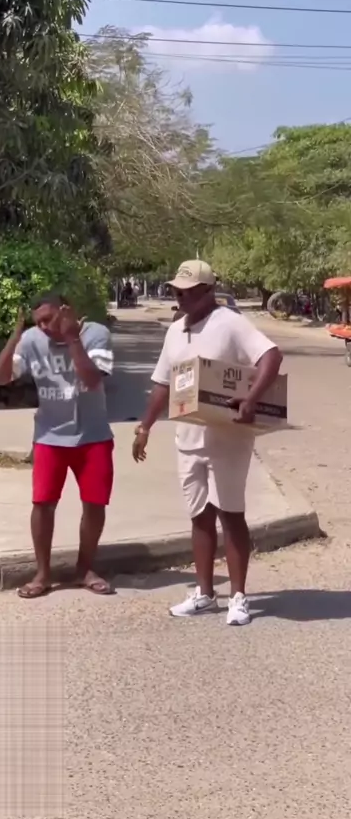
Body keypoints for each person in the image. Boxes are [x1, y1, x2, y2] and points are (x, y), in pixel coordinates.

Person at [132, 260, 283, 626]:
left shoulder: (229, 323)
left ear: (208, 291)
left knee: (231, 515)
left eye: (187, 291)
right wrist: (145, 427)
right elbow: (163, 383)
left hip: (227, 439)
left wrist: (251, 399)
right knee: (199, 516)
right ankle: (204, 594)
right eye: (176, 291)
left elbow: (271, 356)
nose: (179, 297)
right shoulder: (175, 330)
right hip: (188, 437)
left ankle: (238, 597)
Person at [0, 292, 115, 599]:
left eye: (49, 319)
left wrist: (73, 339)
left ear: (66, 310)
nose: (44, 327)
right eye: (38, 322)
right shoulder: (32, 339)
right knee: (43, 504)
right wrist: (15, 338)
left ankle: (85, 569)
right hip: (49, 436)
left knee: (94, 504)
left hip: (93, 435)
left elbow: (93, 380)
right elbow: (0, 378)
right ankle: (43, 574)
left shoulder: (96, 334)